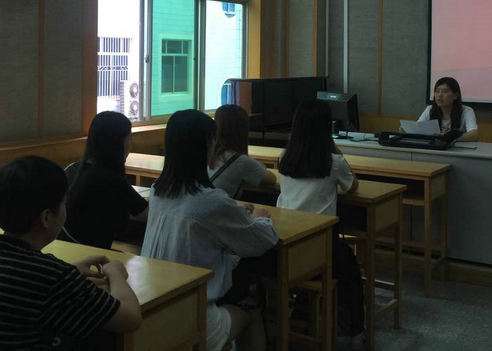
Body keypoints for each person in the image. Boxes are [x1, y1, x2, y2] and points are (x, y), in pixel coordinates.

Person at [0, 156, 142, 350]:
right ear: (46, 217)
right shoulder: (52, 277)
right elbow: (130, 318)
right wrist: (114, 273)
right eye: (63, 203)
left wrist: (71, 270)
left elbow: (12, 281)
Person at [142, 110, 279, 351]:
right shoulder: (210, 201)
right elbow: (262, 241)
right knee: (251, 306)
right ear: (205, 145)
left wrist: (233, 214)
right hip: (192, 315)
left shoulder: (158, 190)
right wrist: (260, 219)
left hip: (155, 307)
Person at [277, 99, 365, 350]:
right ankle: (352, 333)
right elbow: (353, 185)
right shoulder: (332, 162)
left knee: (324, 266)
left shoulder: (285, 158)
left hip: (286, 241)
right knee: (350, 270)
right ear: (326, 127)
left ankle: (301, 316)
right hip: (318, 245)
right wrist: (334, 148)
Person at [61, 111, 148, 249]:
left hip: (65, 249)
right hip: (91, 255)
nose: (131, 143)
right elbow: (146, 214)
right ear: (118, 143)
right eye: (129, 137)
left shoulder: (73, 169)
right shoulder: (111, 179)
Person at [208, 104, 276, 200]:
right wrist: (259, 166)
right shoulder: (241, 161)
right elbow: (272, 179)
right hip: (219, 208)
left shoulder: (208, 153)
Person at [417, 77, 478, 142]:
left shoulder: (466, 111)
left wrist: (449, 138)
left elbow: (474, 134)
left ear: (455, 95)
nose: (439, 95)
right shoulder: (430, 109)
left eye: (444, 91)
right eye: (437, 91)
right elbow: (417, 129)